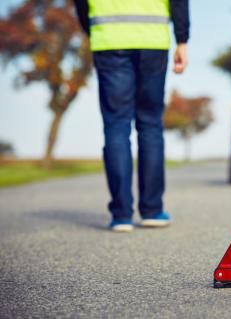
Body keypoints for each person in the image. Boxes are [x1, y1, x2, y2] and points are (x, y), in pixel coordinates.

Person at [73, 0, 189, 232]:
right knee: (150, 125)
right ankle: (152, 211)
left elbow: (80, 4)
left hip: (108, 41)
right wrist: (182, 39)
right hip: (152, 40)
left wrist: (95, 31)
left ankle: (122, 215)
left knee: (116, 125)